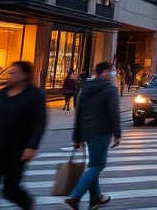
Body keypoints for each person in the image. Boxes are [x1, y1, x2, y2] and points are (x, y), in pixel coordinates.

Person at [0, 61, 47, 210]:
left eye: (15, 73)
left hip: (16, 150)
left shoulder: (35, 95)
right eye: (11, 73)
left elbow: (40, 121)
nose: (11, 76)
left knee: (10, 189)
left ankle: (26, 203)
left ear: (25, 75)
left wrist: (32, 146)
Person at [64, 62, 122, 210]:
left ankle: (96, 197)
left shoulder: (85, 88)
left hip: (87, 131)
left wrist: (77, 137)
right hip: (102, 131)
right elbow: (114, 112)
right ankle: (75, 196)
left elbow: (79, 113)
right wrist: (117, 133)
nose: (114, 74)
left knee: (93, 164)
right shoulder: (110, 90)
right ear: (104, 73)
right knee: (97, 165)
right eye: (111, 71)